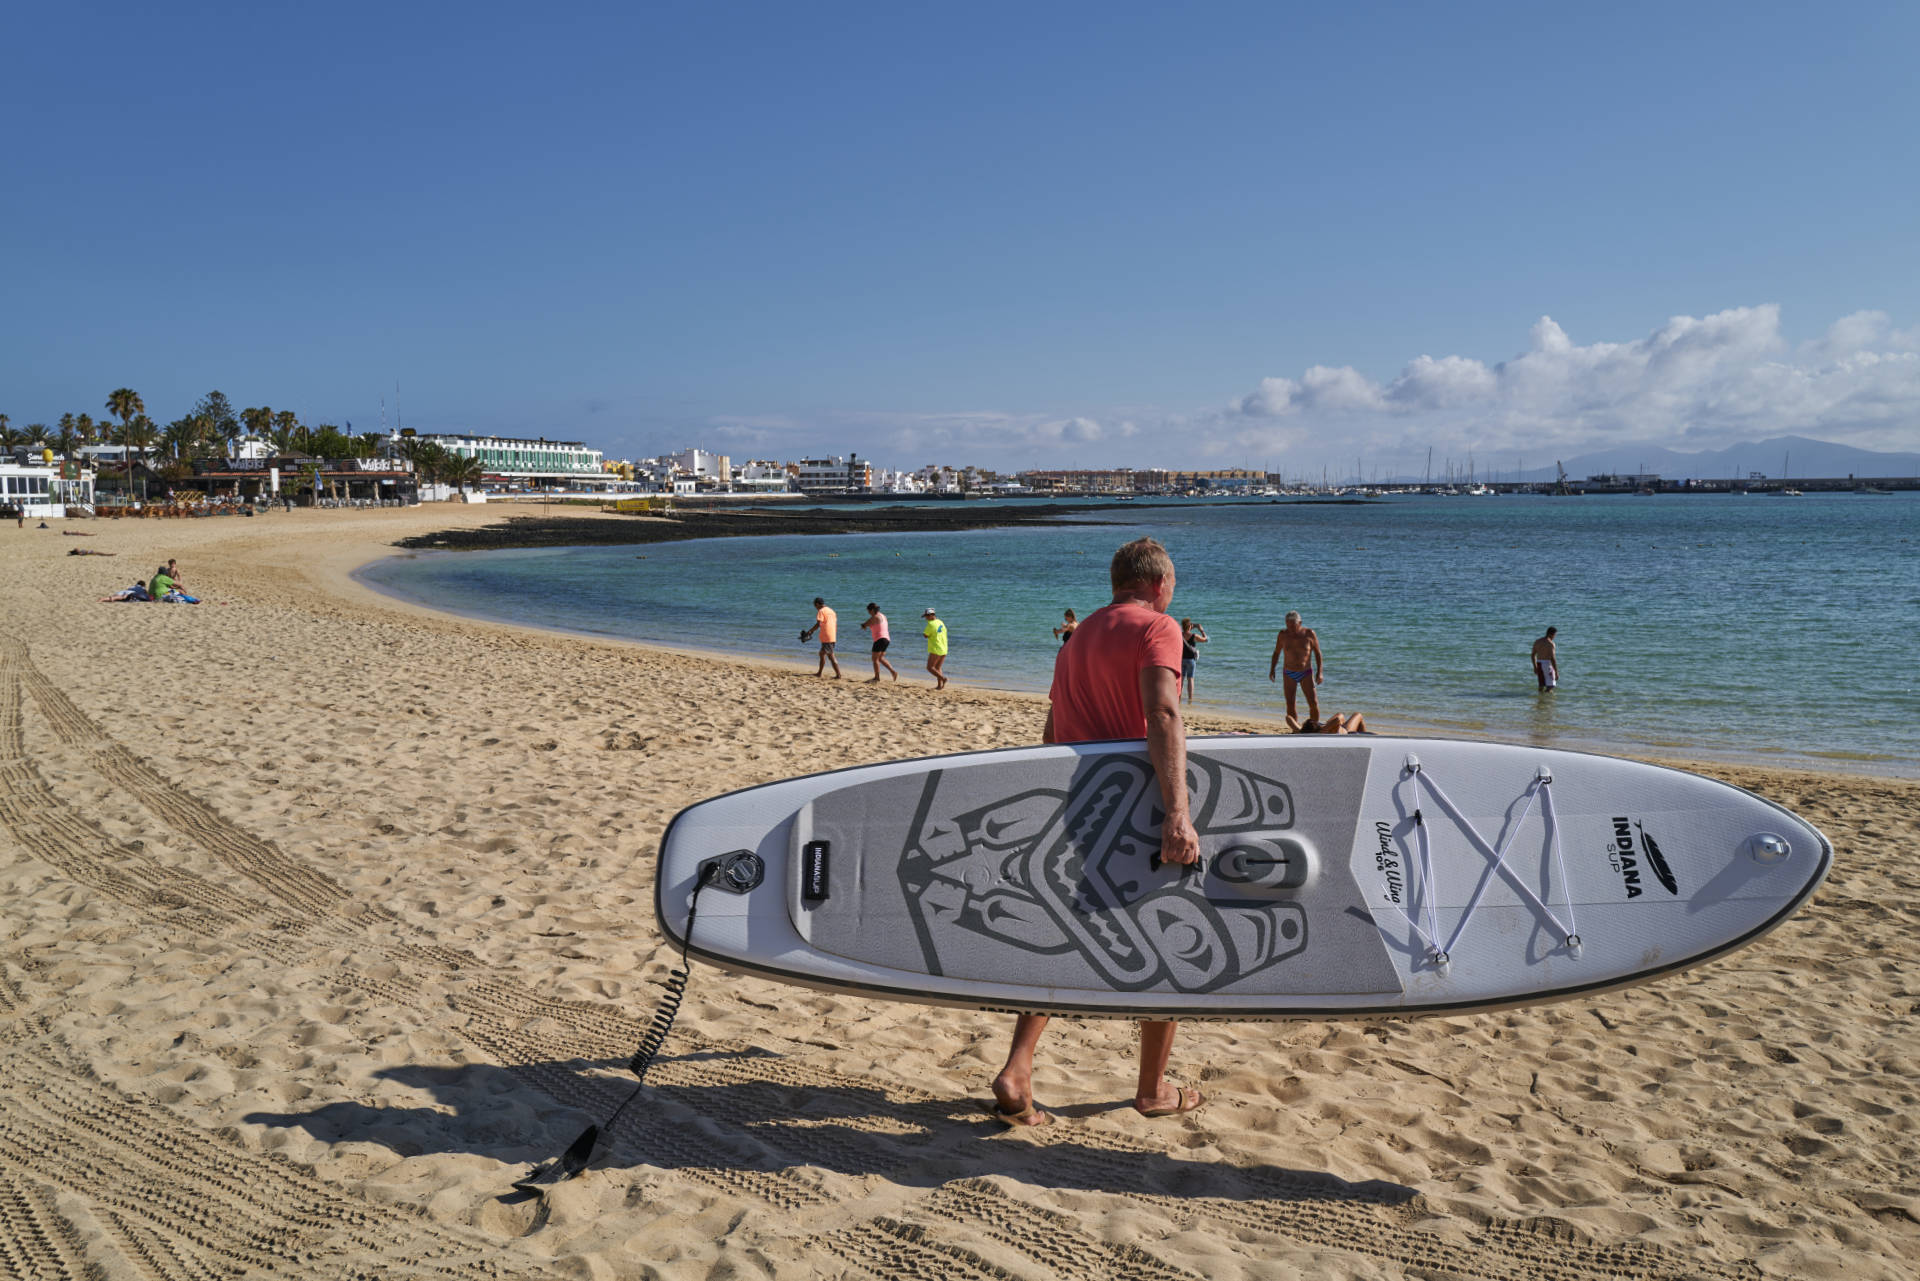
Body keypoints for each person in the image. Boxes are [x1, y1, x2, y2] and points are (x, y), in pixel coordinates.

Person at [989, 537, 1204, 1128]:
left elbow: (1052, 731)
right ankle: (1153, 1090)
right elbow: (1162, 713)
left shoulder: (1075, 639)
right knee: (1167, 940)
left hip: (1077, 803)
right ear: (1158, 584)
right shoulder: (1157, 628)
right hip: (1136, 806)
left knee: (1065, 935)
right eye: (1172, 587)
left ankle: (1017, 1069)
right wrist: (1177, 812)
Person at [1267, 611, 1324, 724]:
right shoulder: (1283, 635)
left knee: (1313, 702)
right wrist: (1272, 669)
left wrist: (1320, 672)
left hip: (1306, 673)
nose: (1290, 628)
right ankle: (1295, 730)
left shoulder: (1309, 634)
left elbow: (1318, 653)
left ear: (1300, 623)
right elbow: (1276, 653)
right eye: (1288, 625)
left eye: (1293, 625)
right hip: (1289, 673)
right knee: (1290, 703)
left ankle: (1315, 727)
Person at [801, 597, 842, 678]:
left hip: (827, 636)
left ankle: (838, 675)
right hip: (832, 635)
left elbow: (818, 624)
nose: (815, 608)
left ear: (817, 604)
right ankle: (819, 673)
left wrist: (810, 631)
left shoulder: (821, 611)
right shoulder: (831, 611)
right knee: (822, 653)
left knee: (831, 656)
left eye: (814, 606)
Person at [860, 602, 898, 683]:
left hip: (880, 639)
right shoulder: (883, 616)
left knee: (875, 659)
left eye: (869, 611)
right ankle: (893, 671)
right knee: (880, 658)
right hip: (886, 639)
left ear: (872, 610)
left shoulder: (875, 617)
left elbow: (865, 624)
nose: (869, 613)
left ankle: (877, 678)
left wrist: (863, 626)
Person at [1178, 618, 1208, 704]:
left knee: (1181, 679)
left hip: (1181, 660)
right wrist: (1201, 630)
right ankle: (1190, 699)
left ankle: (1179, 697)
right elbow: (1206, 639)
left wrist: (1192, 625)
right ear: (1189, 626)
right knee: (1190, 679)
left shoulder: (1179, 634)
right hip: (1191, 660)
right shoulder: (1194, 636)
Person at [922, 607, 949, 689]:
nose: (926, 618)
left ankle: (943, 679)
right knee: (937, 668)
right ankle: (939, 685)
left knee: (930, 667)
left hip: (936, 648)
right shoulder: (940, 622)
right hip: (944, 648)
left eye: (926, 616)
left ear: (931, 615)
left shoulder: (930, 624)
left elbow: (925, 635)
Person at [1290, 711, 1367, 734]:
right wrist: (1325, 727)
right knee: (1358, 715)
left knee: (1340, 714)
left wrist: (1299, 729)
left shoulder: (1302, 731)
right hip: (1345, 731)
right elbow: (1338, 720)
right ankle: (1364, 737)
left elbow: (1288, 718)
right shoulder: (1328, 730)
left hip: (1335, 727)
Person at [1532, 627, 1559, 692]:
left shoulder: (1537, 641)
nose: (1554, 637)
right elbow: (1552, 658)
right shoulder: (1551, 644)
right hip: (1547, 665)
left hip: (1539, 663)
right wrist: (1556, 672)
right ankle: (1547, 701)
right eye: (1555, 635)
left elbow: (1533, 655)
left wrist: (1535, 667)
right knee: (1551, 686)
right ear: (1551, 634)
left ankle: (1540, 700)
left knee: (1541, 685)